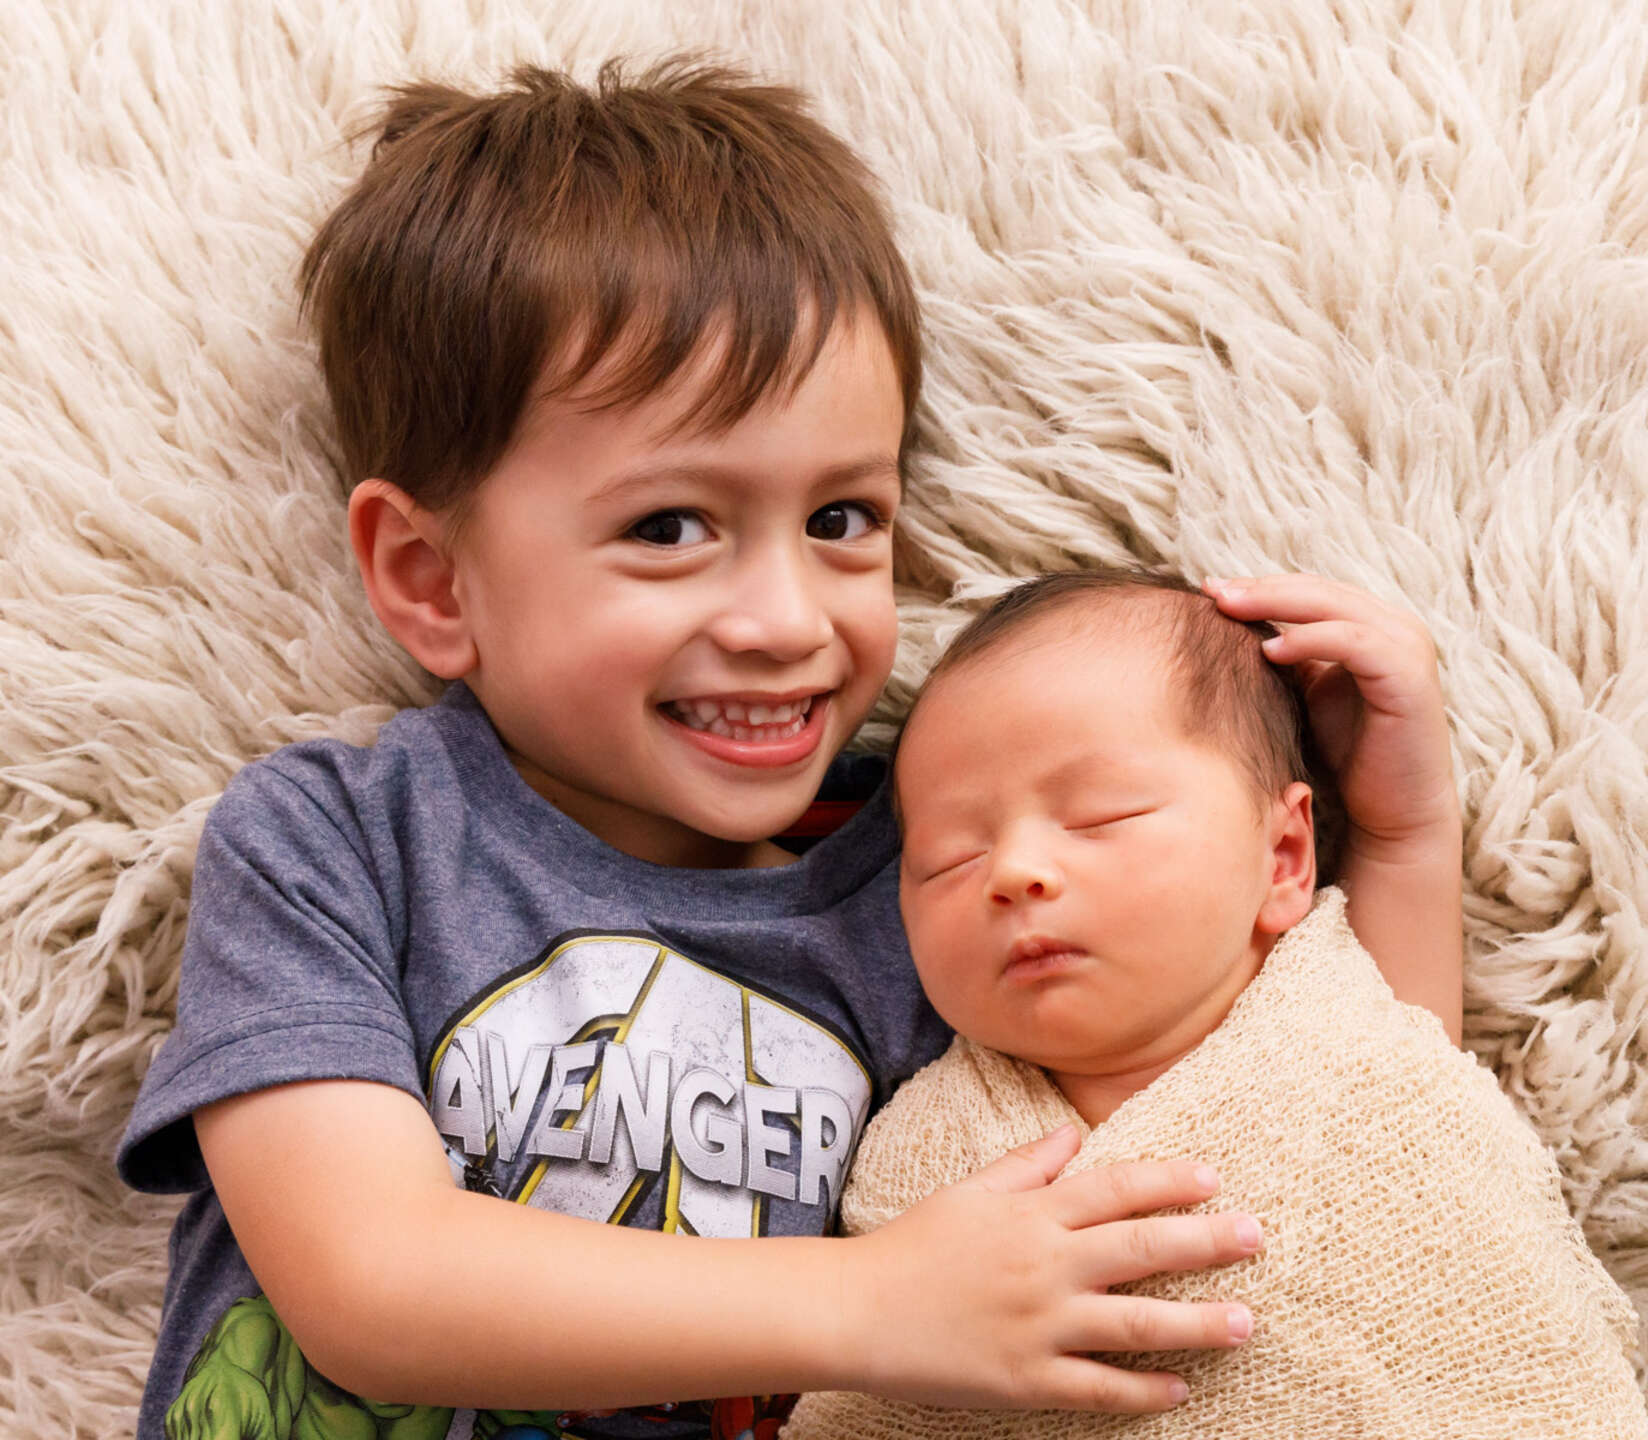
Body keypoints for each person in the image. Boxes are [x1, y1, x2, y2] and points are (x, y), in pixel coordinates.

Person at [113, 62, 1464, 1440]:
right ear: (431, 578)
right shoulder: (337, 842)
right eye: (670, 528)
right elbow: (369, 1283)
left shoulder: (934, 890)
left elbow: (1338, 1123)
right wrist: (878, 1303)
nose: (784, 621)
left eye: (840, 520)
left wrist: (1406, 834)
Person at [781, 570, 1648, 1440]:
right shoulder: (920, 1136)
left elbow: (1407, 933)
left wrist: (1407, 815)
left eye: (1099, 816)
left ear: (1282, 858)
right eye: (950, 859)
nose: (1013, 873)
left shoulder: (1339, 1023)